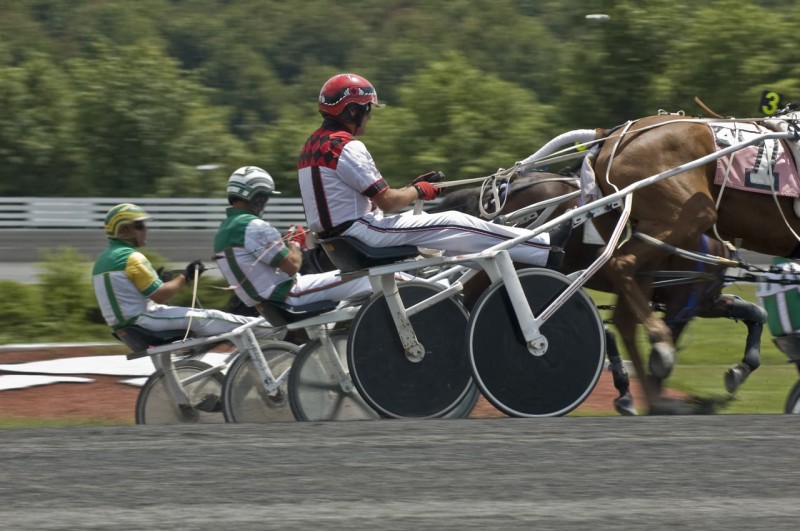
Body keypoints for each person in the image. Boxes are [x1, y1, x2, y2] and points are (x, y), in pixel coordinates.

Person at [297, 73, 571, 268]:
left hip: (341, 240)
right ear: (354, 111)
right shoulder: (346, 146)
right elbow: (388, 202)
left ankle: (500, 248)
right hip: (362, 233)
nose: (369, 116)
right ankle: (544, 249)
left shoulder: (311, 146)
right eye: (367, 109)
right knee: (452, 221)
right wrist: (418, 191)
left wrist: (411, 189)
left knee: (448, 236)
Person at [92, 203, 276, 340]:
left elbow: (130, 294)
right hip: (144, 321)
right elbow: (161, 295)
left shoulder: (102, 260)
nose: (145, 230)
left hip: (125, 326)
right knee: (212, 316)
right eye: (139, 225)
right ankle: (277, 329)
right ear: (123, 230)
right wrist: (186, 276)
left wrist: (162, 280)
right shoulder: (131, 257)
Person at [213, 166, 374, 312]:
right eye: (265, 196)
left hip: (264, 302)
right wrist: (295, 243)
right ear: (257, 196)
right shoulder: (253, 226)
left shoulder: (224, 230)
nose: (265, 202)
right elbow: (292, 266)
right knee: (368, 278)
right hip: (289, 295)